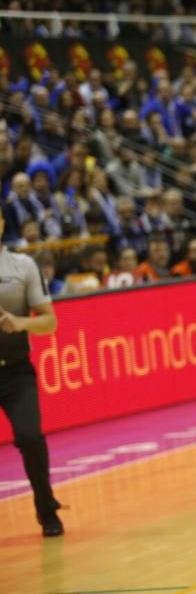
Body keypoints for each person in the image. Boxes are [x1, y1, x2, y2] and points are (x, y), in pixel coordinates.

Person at [0, 209, 61, 536]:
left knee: (30, 437)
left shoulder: (22, 266)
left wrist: (20, 322)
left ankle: (46, 506)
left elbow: (50, 321)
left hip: (14, 373)